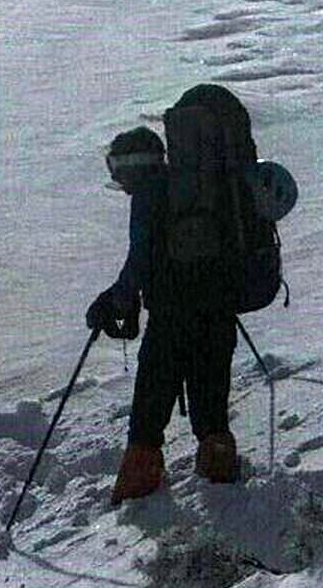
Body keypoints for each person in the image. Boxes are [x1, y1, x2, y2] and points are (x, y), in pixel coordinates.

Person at [88, 85, 252, 503]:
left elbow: (141, 256)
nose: (119, 184)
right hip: (218, 308)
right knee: (211, 396)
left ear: (129, 168)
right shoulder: (200, 188)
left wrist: (116, 299)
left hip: (172, 317)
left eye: (118, 173)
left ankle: (139, 485)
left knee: (150, 403)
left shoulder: (148, 194)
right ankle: (222, 485)